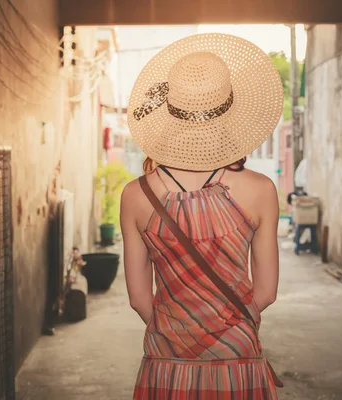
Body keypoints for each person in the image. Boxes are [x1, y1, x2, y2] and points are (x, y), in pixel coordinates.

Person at [120, 33, 284, 399]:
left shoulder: (136, 194)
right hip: (238, 359)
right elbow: (267, 292)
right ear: (231, 110)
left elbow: (138, 298)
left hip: (166, 361)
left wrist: (179, 334)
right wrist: (226, 332)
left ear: (168, 114)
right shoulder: (260, 189)